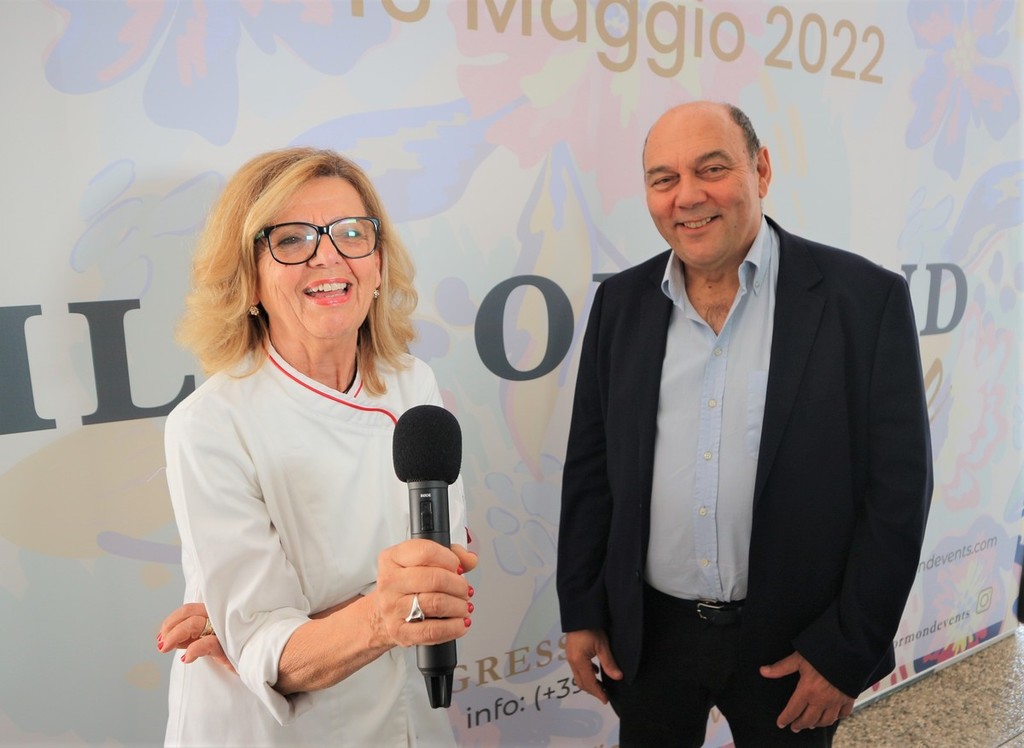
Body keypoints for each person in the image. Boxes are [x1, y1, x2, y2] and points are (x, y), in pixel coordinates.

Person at [556, 101, 933, 746]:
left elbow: (898, 494)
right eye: (664, 179)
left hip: (794, 645)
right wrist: (584, 607)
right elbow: (591, 471)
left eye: (712, 169)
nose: (687, 196)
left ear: (761, 170)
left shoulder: (864, 301)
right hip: (648, 637)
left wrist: (845, 650)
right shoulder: (619, 304)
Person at [154, 147, 476, 746]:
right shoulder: (210, 425)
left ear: (377, 264)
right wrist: (376, 613)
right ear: (248, 277)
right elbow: (270, 655)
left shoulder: (414, 385)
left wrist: (260, 628)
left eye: (352, 233)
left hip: (409, 710)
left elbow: (438, 567)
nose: (328, 256)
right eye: (292, 239)